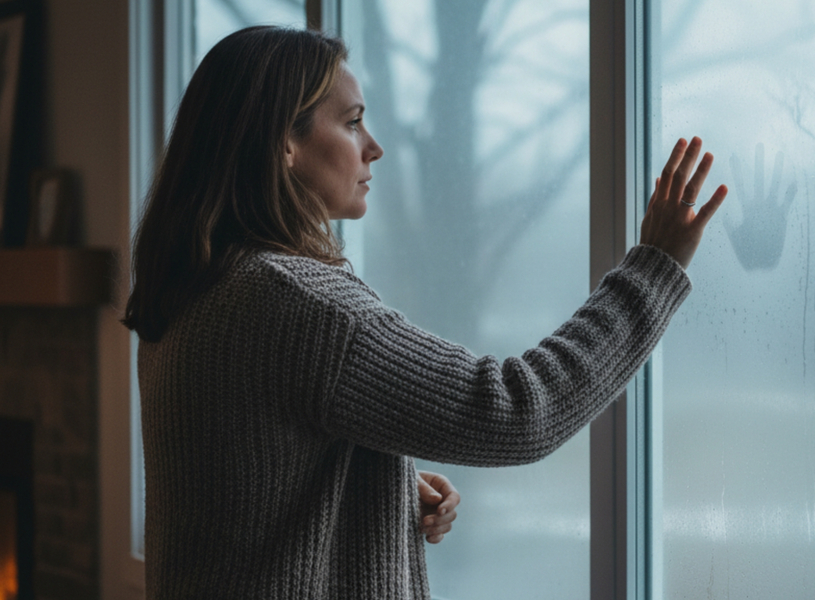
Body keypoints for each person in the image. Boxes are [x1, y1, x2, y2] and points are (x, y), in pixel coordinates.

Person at [123, 26, 728, 599]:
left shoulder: (191, 287)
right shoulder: (299, 304)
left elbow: (236, 480)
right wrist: (652, 267)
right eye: (353, 123)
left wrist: (379, 491)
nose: (374, 147)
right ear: (283, 140)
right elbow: (516, 411)